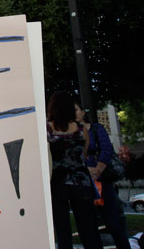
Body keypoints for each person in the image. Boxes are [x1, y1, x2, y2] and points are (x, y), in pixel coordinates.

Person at [47, 91, 103, 249]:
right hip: (81, 182)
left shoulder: (47, 129)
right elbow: (84, 152)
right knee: (89, 230)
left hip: (57, 182)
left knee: (63, 231)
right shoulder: (80, 129)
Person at [76, 100, 132, 249]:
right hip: (84, 183)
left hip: (102, 181)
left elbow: (106, 150)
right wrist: (87, 171)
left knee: (112, 221)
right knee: (88, 225)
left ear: (83, 112)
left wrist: (97, 170)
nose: (73, 113)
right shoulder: (72, 134)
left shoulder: (96, 128)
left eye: (75, 110)